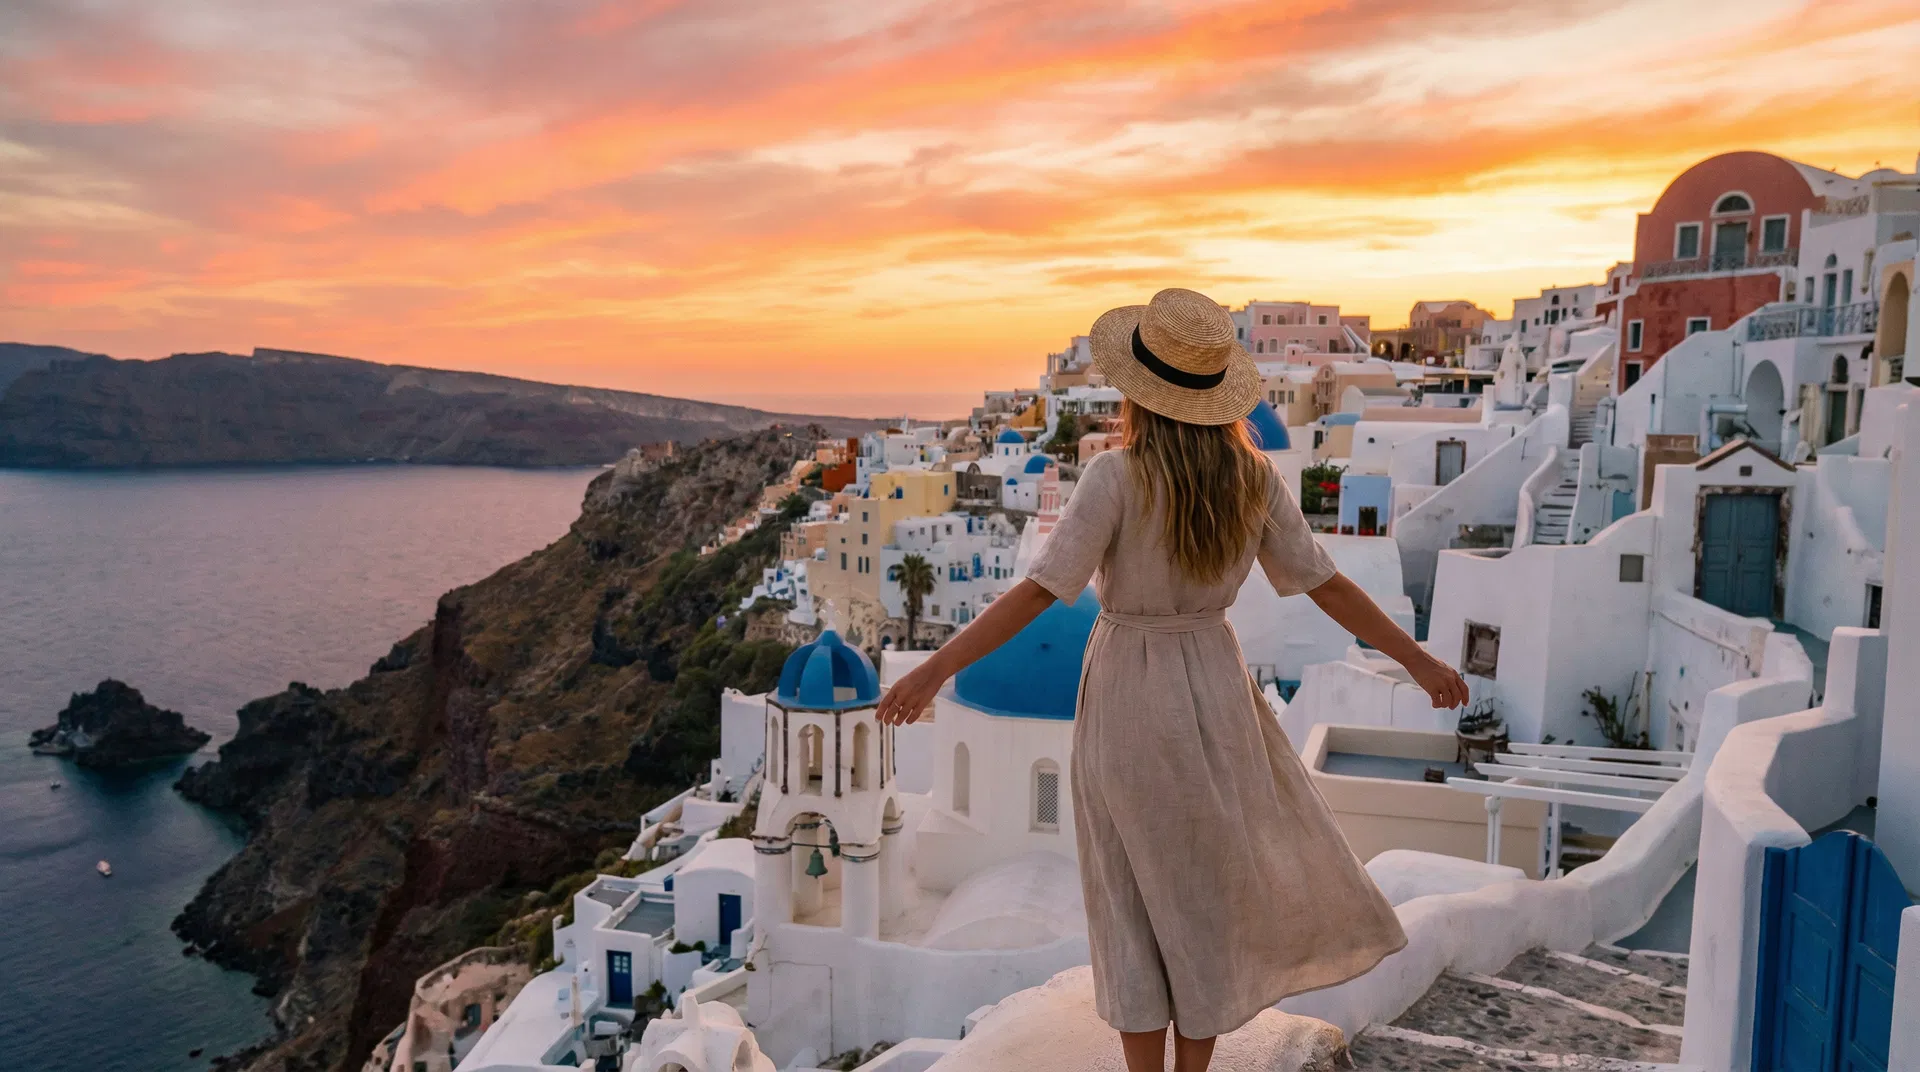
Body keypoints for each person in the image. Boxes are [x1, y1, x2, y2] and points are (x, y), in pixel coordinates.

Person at [876, 288, 1470, 1072]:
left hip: (1128, 686)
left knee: (1128, 899)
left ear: (1140, 394)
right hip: (1217, 687)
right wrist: (1416, 659)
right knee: (1202, 897)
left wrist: (932, 670)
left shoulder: (1115, 477)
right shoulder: (1253, 479)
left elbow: (1038, 592)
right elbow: (1327, 584)